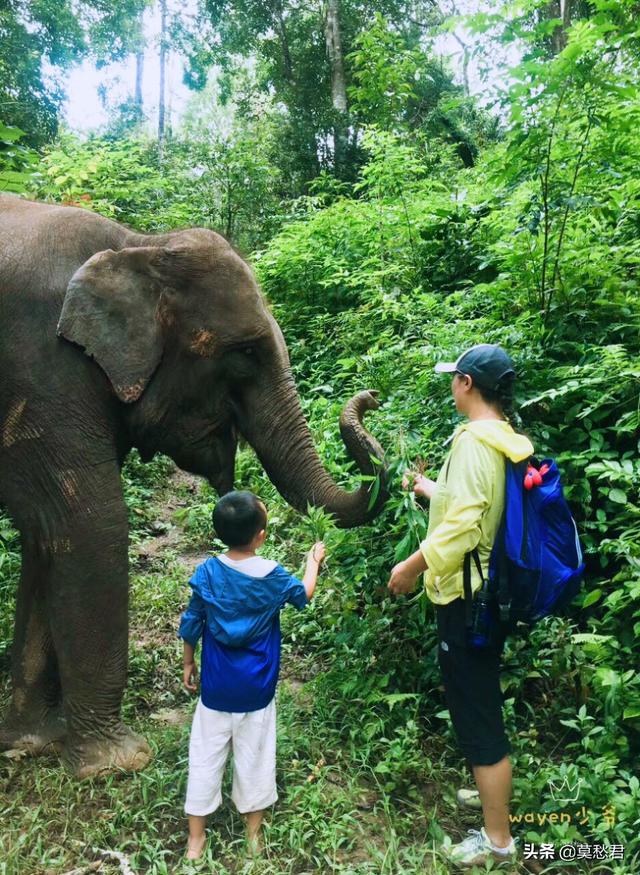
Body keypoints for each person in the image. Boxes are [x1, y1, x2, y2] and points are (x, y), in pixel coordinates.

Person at [387, 344, 534, 869]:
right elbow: (474, 502)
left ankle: (498, 840)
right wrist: (429, 487)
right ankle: (489, 792)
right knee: (479, 698)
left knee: (477, 715)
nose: (451, 386)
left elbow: (468, 525)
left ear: (468, 384)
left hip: (469, 600)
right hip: (490, 596)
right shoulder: (504, 438)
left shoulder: (475, 442)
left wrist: (412, 565)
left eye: (455, 378)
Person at [178, 490, 326, 860]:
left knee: (205, 757)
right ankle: (253, 837)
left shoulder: (208, 572)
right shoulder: (271, 575)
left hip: (215, 689)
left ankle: (196, 841)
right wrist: (313, 562)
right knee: (256, 757)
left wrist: (187, 663)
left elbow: (192, 621)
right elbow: (304, 596)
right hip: (257, 689)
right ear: (260, 535)